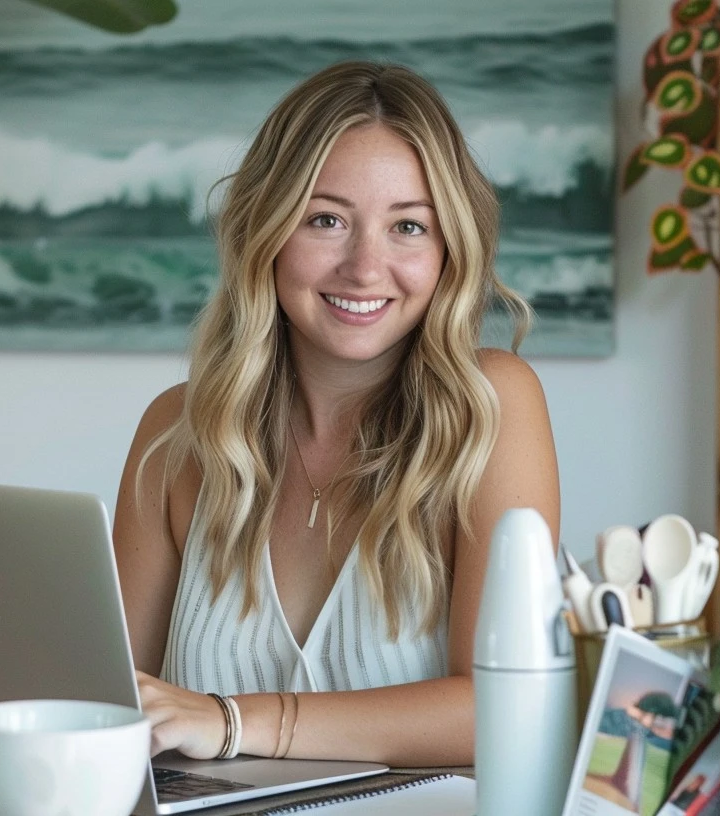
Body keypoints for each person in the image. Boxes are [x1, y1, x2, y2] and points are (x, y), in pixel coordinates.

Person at [111, 60, 560, 768]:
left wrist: (234, 722)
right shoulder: (176, 435)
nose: (364, 266)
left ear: (449, 250)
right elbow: (107, 704)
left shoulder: (492, 406)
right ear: (266, 230)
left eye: (409, 226)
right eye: (326, 220)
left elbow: (509, 710)